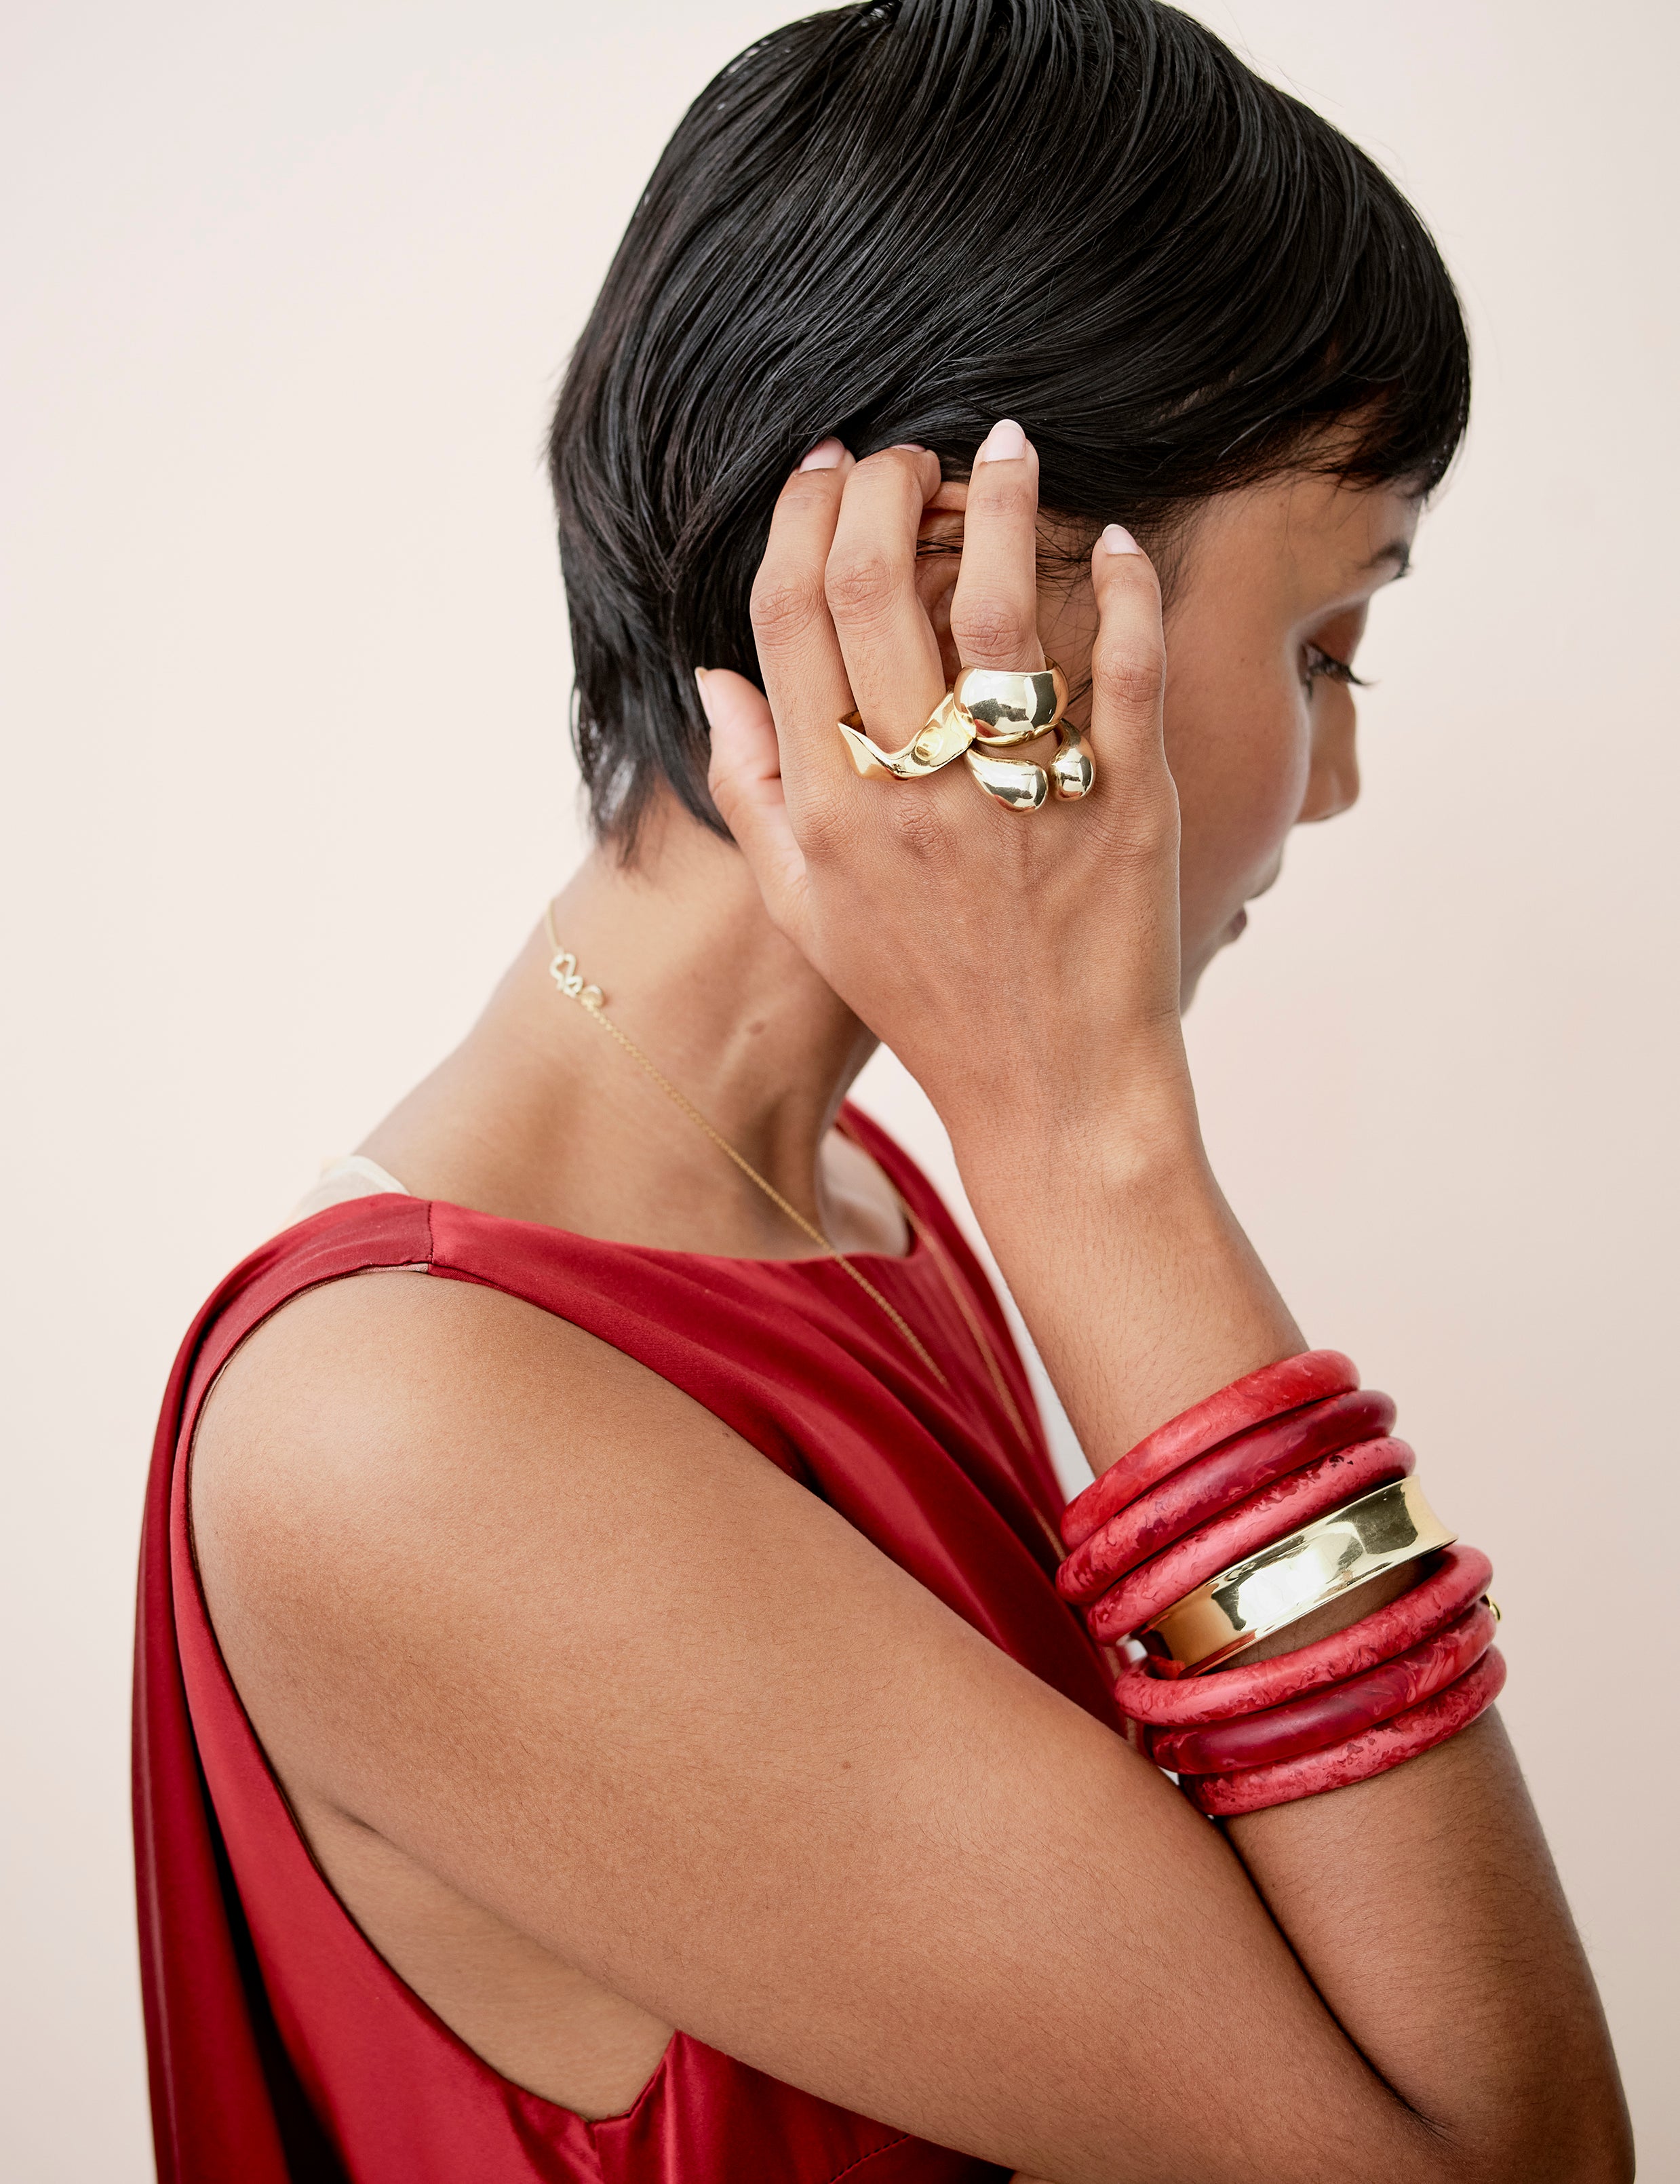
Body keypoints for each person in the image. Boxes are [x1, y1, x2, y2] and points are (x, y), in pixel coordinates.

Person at [133, 3, 1633, 2179]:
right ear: (965, 593)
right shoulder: (404, 1437)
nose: (1339, 778)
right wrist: (1092, 1141)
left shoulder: (846, 1192)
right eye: (1326, 646)